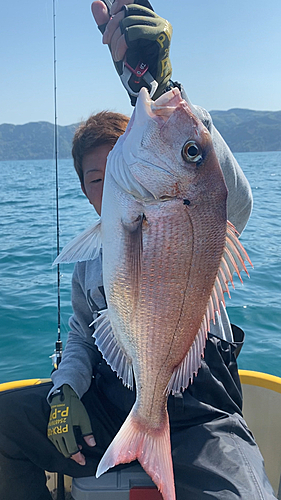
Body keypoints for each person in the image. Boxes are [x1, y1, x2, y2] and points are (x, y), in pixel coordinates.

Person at [0, 2, 277, 500]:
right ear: (85, 192)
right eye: (94, 179)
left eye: (116, 166)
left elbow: (229, 201)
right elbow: (84, 338)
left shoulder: (189, 210)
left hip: (203, 411)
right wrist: (65, 390)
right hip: (110, 402)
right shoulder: (89, 258)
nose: (108, 185)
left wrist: (159, 85)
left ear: (132, 150)